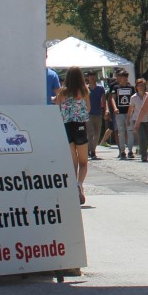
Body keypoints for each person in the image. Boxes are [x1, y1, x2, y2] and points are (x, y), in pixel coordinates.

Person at [53, 65, 92, 204]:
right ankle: (79, 185)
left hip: (66, 126)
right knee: (83, 162)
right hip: (80, 126)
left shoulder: (63, 91)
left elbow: (57, 104)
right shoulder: (84, 90)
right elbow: (88, 108)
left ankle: (71, 189)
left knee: (72, 161)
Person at [109, 69, 137, 159]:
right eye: (119, 77)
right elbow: (112, 98)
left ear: (125, 78)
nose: (119, 79)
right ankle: (122, 150)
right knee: (121, 131)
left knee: (130, 131)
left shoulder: (131, 88)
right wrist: (115, 108)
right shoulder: (116, 88)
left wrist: (134, 109)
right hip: (120, 112)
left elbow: (134, 99)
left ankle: (130, 150)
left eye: (121, 77)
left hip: (129, 113)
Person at [127, 78, 148, 162]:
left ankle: (144, 151)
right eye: (139, 85)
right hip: (137, 120)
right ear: (136, 87)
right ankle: (143, 154)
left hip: (147, 119)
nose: (140, 87)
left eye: (142, 85)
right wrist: (128, 119)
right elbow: (131, 109)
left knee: (147, 137)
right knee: (141, 137)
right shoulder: (134, 97)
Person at [85, 70, 106, 160]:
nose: (92, 77)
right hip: (88, 114)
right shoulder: (85, 88)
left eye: (93, 75)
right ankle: (92, 152)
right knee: (90, 133)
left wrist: (105, 110)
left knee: (97, 133)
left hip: (98, 113)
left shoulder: (100, 88)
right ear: (87, 78)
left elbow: (104, 100)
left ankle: (90, 149)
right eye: (90, 75)